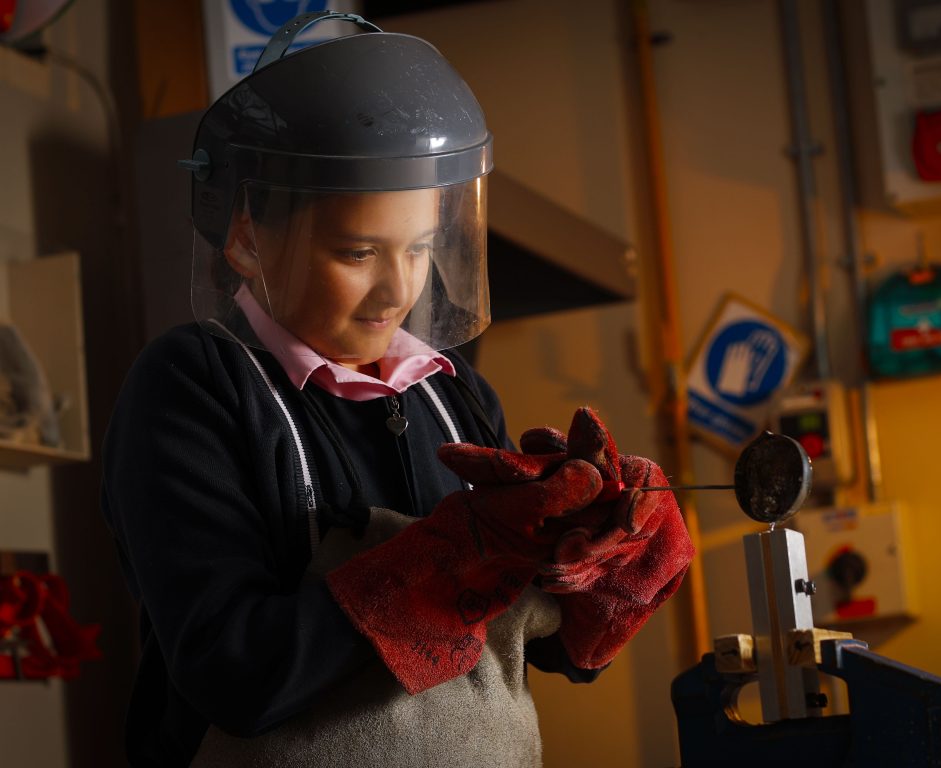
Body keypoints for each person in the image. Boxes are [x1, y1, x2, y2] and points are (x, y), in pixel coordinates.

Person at [101, 11, 693, 767]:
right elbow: (234, 672)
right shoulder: (193, 388)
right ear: (248, 239)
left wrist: (600, 571)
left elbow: (528, 647)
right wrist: (451, 557)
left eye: (418, 249)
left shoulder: (457, 394)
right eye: (357, 252)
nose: (397, 291)